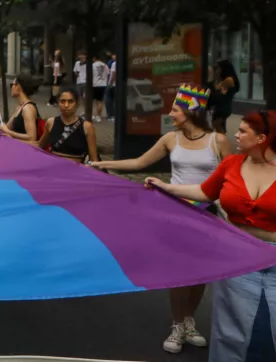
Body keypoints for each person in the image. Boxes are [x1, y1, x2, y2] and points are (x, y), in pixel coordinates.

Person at [92, 84, 231, 353]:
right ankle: (178, 325)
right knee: (180, 272)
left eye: (175, 109)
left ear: (191, 112)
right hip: (175, 214)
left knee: (200, 273)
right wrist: (102, 164)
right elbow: (139, 163)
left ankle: (190, 321)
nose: (171, 113)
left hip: (205, 215)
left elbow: (231, 176)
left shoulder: (218, 141)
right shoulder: (171, 139)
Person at [142, 110, 275, 361]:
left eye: (243, 131)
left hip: (273, 260)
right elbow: (204, 191)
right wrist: (165, 187)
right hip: (238, 256)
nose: (236, 134)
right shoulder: (231, 164)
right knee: (231, 329)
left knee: (267, 328)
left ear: (262, 138)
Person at [37, 88, 98, 164]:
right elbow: (40, 147)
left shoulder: (87, 127)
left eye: (70, 101)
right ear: (58, 103)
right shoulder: (50, 122)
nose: (66, 105)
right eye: (62, 101)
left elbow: (94, 160)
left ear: (77, 104)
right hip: (53, 169)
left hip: (76, 172)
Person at [0, 77, 43, 143]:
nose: (11, 88)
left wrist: (10, 134)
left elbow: (32, 138)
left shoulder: (28, 108)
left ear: (18, 87)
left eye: (12, 85)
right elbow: (5, 127)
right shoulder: (20, 107)